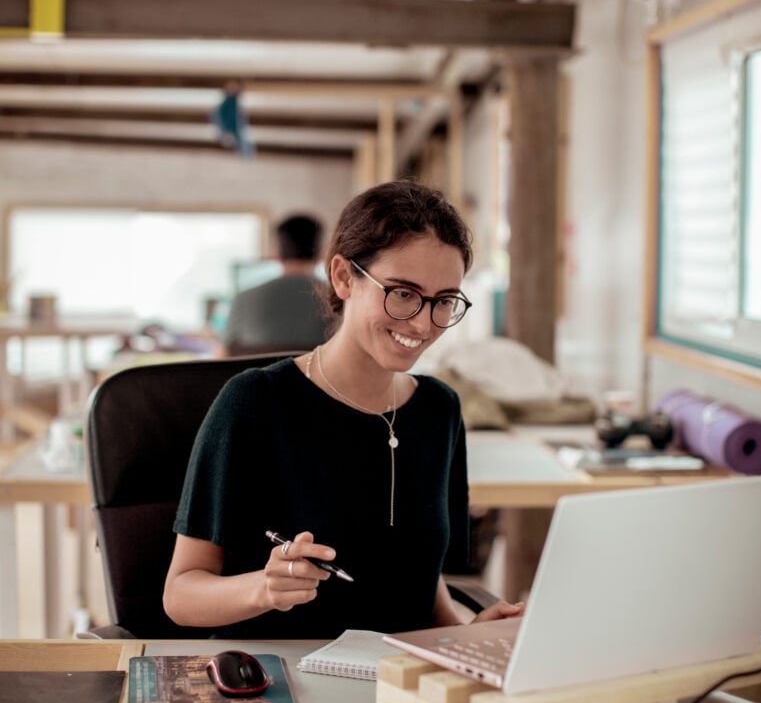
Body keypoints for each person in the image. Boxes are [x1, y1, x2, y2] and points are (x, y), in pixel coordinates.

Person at [164, 180, 522, 639]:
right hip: (282, 685)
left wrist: (468, 631)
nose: (423, 322)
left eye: (444, 301)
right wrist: (264, 588)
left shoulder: (440, 409)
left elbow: (421, 591)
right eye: (403, 293)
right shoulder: (254, 402)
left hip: (397, 682)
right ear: (343, 277)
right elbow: (180, 596)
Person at [222, 214, 328, 355]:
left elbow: (224, 354)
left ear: (276, 254)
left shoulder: (243, 298)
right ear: (322, 254)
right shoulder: (339, 299)